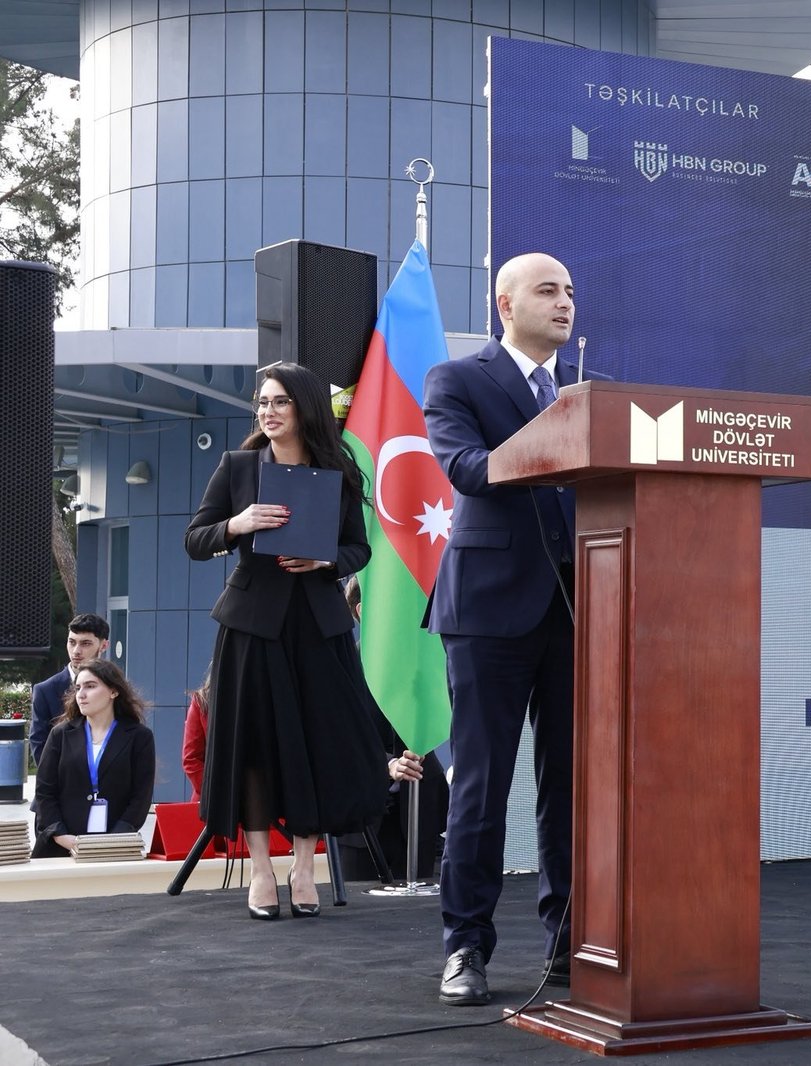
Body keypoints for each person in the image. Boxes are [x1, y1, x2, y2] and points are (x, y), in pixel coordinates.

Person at [423, 251, 601, 1005]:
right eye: (548, 290)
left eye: (571, 292)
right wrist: (559, 437)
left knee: (572, 787)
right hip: (488, 612)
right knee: (481, 785)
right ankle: (466, 946)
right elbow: (466, 468)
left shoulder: (591, 393)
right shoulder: (457, 380)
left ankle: (571, 941)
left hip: (578, 606)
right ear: (505, 304)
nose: (565, 303)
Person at [184, 362, 390, 920]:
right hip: (252, 627)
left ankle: (303, 867)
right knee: (252, 747)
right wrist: (238, 523)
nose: (267, 412)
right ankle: (260, 871)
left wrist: (327, 562)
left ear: (303, 407)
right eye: (262, 402)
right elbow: (195, 539)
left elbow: (359, 548)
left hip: (318, 626)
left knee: (318, 743)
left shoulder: (338, 469)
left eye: (279, 402)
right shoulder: (238, 467)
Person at [31, 658, 156, 858]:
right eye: (78, 688)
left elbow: (141, 796)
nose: (81, 694)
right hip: (60, 847)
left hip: (115, 849)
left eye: (90, 686)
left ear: (113, 691)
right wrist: (61, 835)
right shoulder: (60, 734)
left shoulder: (139, 737)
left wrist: (113, 841)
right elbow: (44, 791)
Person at [29, 613, 110, 765]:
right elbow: (40, 748)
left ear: (104, 646)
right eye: (72, 642)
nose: (76, 651)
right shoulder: (45, 691)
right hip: (63, 777)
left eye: (85, 644)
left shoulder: (113, 688)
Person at [180, 667, 211, 801]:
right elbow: (191, 759)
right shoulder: (202, 701)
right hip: (209, 797)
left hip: (253, 797)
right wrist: (214, 789)